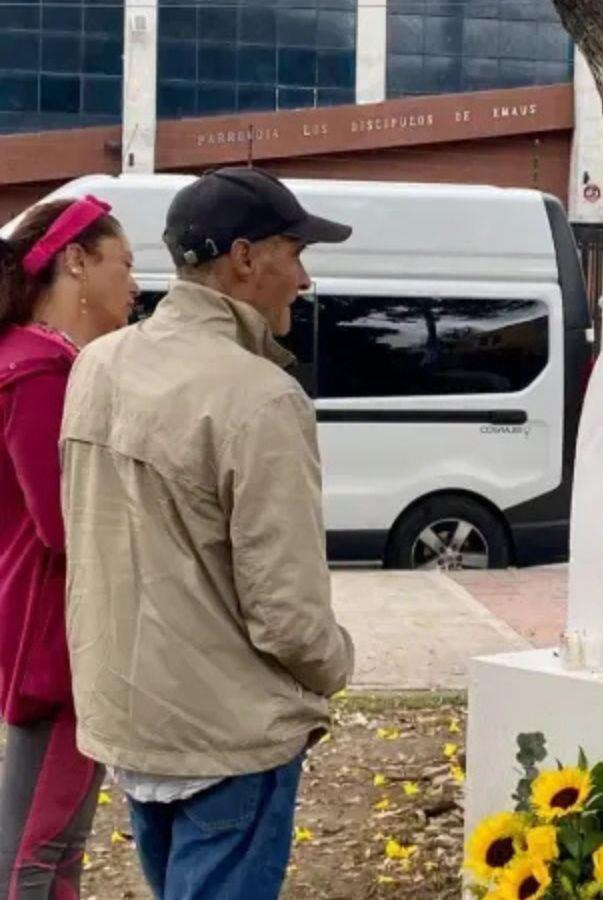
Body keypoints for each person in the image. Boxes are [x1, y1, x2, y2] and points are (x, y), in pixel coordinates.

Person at [59, 168, 356, 900]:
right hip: (227, 734)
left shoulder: (96, 365)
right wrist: (337, 663)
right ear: (245, 257)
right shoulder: (261, 397)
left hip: (130, 717)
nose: (305, 280)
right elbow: (287, 615)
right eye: (296, 253)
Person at [0, 195, 137, 898]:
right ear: (77, 262)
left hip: (46, 630)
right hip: (57, 639)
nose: (135, 284)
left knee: (56, 846)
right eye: (125, 264)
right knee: (35, 853)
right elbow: (66, 523)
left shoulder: (34, 359)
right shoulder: (43, 371)